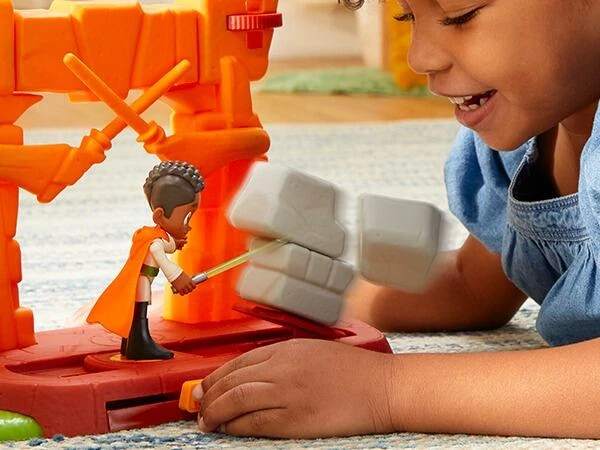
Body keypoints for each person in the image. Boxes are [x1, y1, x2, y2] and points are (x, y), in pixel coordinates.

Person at [192, 0, 600, 439]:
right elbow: (473, 287)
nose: (419, 57)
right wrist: (303, 297)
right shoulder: (521, 141)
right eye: (407, 16)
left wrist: (386, 389)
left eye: (460, 16)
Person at [87, 160, 204, 360]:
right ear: (160, 216)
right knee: (139, 310)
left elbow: (166, 244)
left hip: (141, 280)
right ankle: (139, 344)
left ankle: (130, 343)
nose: (189, 225)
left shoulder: (154, 235)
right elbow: (161, 256)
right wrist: (178, 277)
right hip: (142, 281)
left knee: (135, 311)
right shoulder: (153, 241)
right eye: (186, 218)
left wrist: (175, 243)